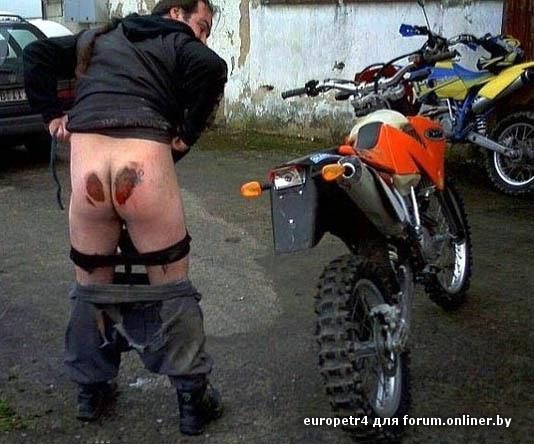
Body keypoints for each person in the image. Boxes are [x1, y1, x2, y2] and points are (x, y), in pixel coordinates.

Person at [23, 0, 227, 435]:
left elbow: (36, 54)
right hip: (142, 166)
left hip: (89, 169)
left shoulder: (98, 38)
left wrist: (52, 116)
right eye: (202, 26)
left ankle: (90, 392)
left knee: (90, 287)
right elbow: (212, 67)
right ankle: (192, 401)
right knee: (172, 287)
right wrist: (186, 134)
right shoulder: (177, 41)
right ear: (176, 14)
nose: (202, 37)